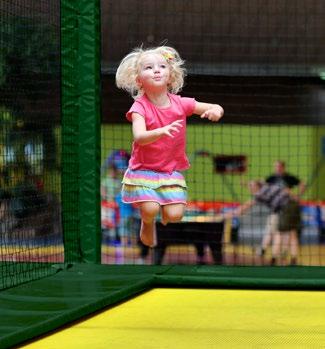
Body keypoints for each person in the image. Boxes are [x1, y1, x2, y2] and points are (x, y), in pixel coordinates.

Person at [115, 45, 224, 247]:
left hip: (169, 171)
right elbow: (139, 136)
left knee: (175, 216)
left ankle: (163, 215)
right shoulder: (139, 106)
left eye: (162, 66)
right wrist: (160, 131)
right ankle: (147, 223)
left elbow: (212, 106)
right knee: (150, 209)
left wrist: (216, 110)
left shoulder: (181, 104)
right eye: (148, 67)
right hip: (143, 169)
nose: (156, 70)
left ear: (170, 76)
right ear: (139, 79)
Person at [227, 180, 301, 265]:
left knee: (278, 234)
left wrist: (232, 213)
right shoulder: (268, 186)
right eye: (249, 187)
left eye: (252, 187)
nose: (250, 189)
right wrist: (295, 196)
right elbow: (286, 190)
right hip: (295, 206)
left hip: (285, 209)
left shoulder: (259, 194)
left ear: (257, 187)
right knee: (292, 234)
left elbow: (247, 205)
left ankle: (274, 258)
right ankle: (293, 259)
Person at [257, 160, 305, 257]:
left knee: (287, 233)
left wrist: (297, 195)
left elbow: (302, 184)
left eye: (278, 166)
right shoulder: (271, 178)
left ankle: (283, 253)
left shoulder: (289, 178)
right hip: (275, 209)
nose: (277, 168)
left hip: (287, 209)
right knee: (272, 230)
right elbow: (262, 188)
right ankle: (264, 249)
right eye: (275, 166)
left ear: (283, 167)